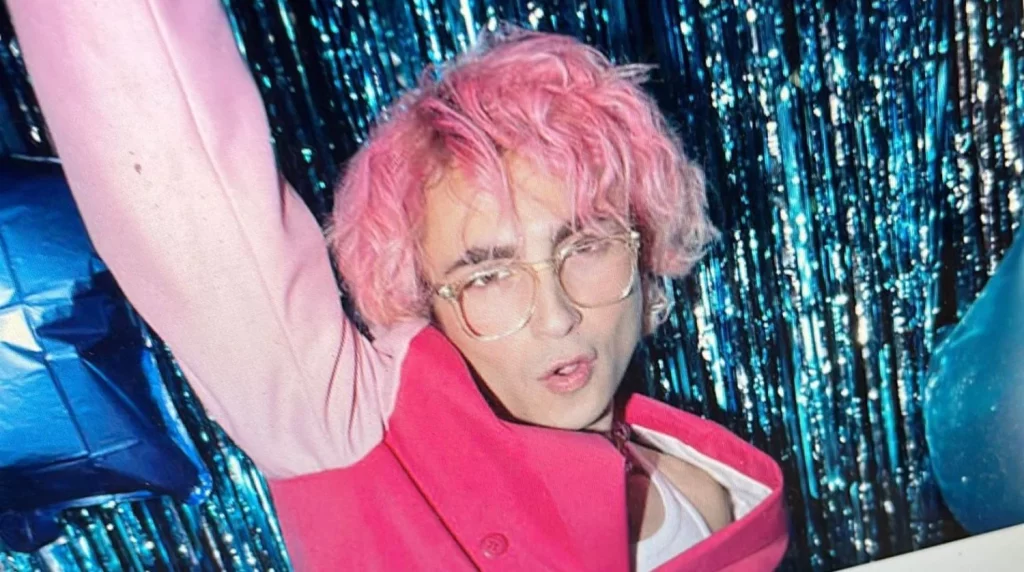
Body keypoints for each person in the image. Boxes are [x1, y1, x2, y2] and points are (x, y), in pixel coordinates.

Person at [9, 1, 788, 570]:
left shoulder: (705, 489)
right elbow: (169, 142)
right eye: (487, 274)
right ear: (421, 301)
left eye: (584, 245)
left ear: (644, 253)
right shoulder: (355, 433)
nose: (556, 316)